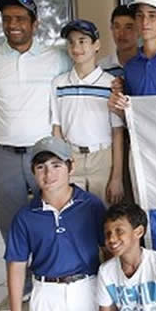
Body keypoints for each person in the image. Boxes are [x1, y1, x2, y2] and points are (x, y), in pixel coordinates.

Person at [0, 0, 71, 311]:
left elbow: (74, 83)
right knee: (11, 226)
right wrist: (0, 113)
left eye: (20, 19)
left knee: (53, 220)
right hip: (5, 155)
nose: (13, 25)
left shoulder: (56, 57)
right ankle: (21, 289)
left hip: (44, 158)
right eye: (7, 19)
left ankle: (55, 281)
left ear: (34, 24)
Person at [4, 136, 105, 311]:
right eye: (41, 167)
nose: (49, 174)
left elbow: (110, 251)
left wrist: (112, 300)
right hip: (47, 288)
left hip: (86, 284)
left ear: (71, 167)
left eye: (56, 165)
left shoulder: (91, 205)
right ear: (33, 172)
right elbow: (16, 265)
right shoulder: (25, 216)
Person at [50, 19, 125, 206]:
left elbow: (117, 133)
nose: (76, 47)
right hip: (71, 158)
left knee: (104, 217)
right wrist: (62, 164)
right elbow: (57, 129)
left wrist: (116, 178)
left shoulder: (111, 83)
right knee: (75, 217)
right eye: (71, 42)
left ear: (96, 45)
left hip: (102, 159)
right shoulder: (59, 83)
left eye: (82, 41)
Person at [100, 5, 138, 79]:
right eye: (117, 27)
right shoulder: (101, 68)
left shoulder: (148, 65)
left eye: (128, 28)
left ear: (139, 30)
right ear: (111, 28)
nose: (122, 33)